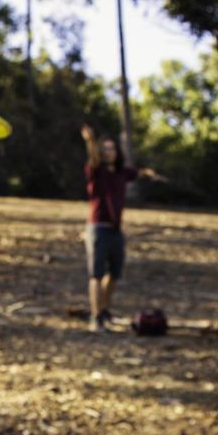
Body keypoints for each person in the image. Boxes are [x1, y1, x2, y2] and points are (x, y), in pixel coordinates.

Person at [80, 124, 157, 333]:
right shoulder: (96, 171)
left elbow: (135, 173)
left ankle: (103, 310)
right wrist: (90, 141)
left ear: (117, 151)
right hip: (98, 228)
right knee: (96, 274)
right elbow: (93, 159)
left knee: (114, 273)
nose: (108, 152)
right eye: (104, 149)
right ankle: (95, 318)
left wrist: (147, 173)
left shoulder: (122, 172)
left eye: (111, 148)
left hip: (115, 230)